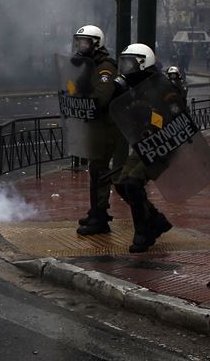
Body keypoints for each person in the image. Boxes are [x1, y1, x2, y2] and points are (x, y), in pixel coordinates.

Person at [112, 44, 175, 253]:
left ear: (143, 63)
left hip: (162, 146)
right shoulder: (134, 87)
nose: (126, 69)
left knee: (133, 182)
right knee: (121, 184)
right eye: (125, 63)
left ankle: (143, 233)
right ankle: (155, 219)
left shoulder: (162, 87)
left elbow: (172, 115)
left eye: (131, 64)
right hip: (143, 144)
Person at [71, 26, 128, 235]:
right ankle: (95, 211)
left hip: (106, 127)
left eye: (85, 42)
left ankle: (101, 218)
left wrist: (84, 97)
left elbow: (101, 98)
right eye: (79, 41)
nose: (80, 46)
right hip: (95, 127)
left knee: (100, 172)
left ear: (96, 43)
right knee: (95, 170)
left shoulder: (105, 67)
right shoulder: (89, 65)